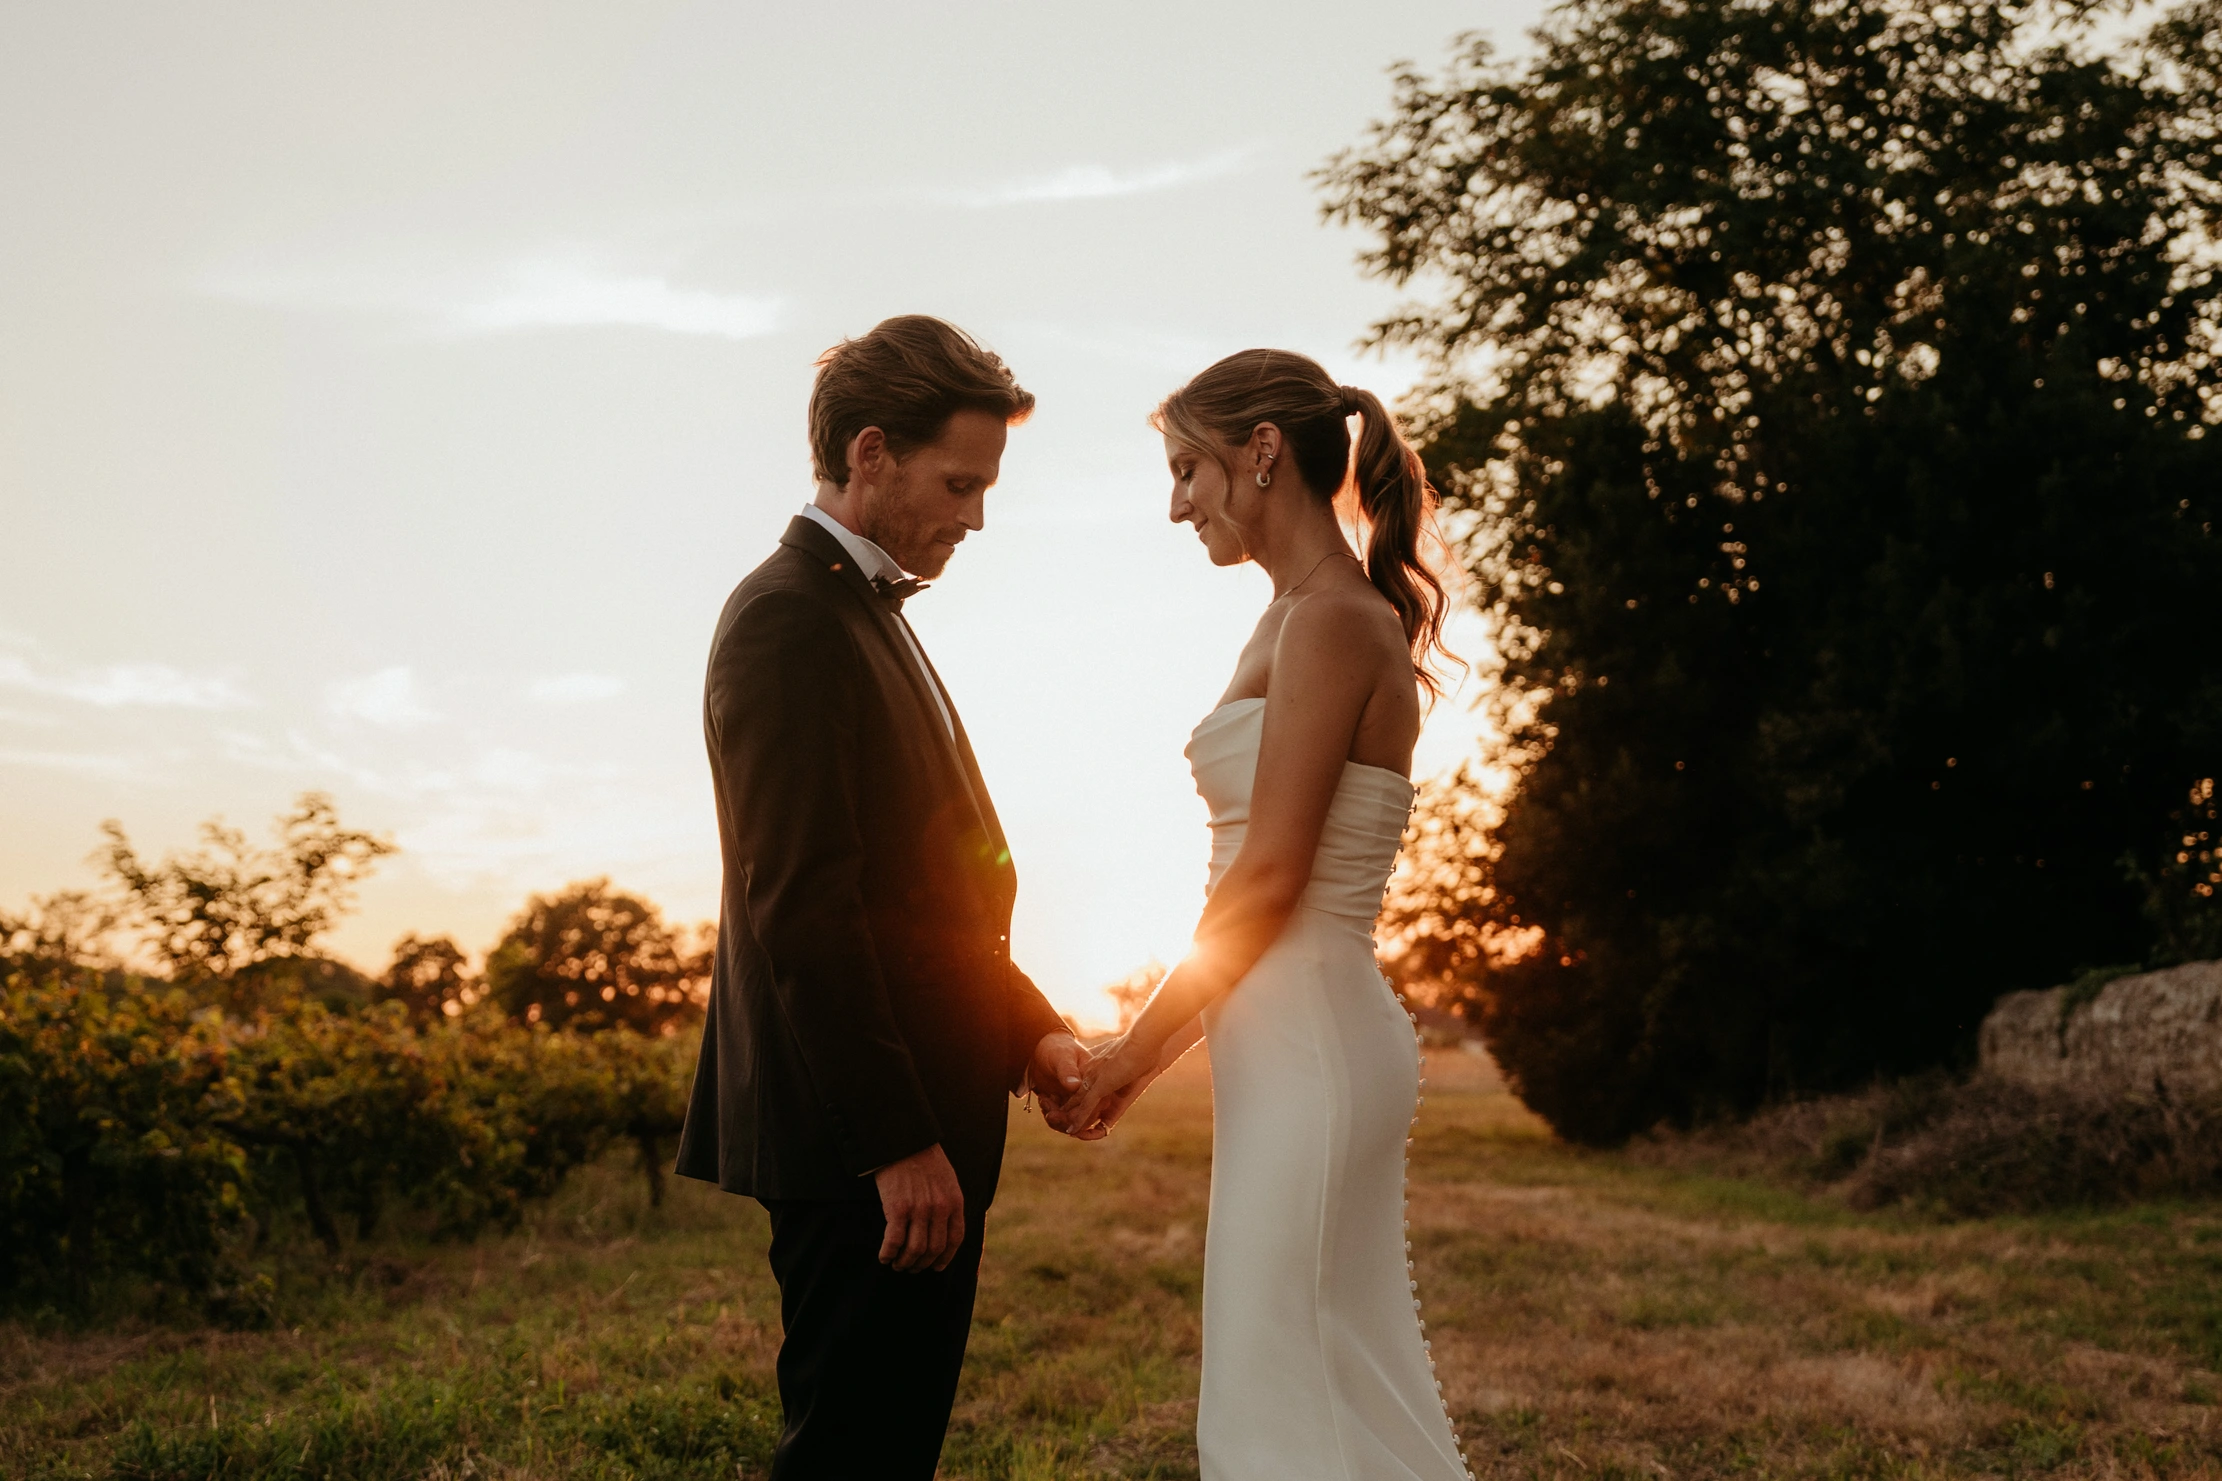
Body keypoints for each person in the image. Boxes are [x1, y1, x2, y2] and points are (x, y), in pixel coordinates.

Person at [674, 314, 1093, 1480]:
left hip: (918, 1123)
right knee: (850, 1454)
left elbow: (929, 901)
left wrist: (1032, 1029)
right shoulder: (786, 621)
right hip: (862, 1143)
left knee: (890, 1446)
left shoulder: (866, 611)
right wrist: (896, 1141)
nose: (974, 515)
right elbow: (804, 903)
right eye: (959, 482)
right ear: (870, 455)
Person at [1065, 349, 1474, 1480]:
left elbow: (1264, 878)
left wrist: (1129, 1059)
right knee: (1299, 1372)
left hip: (1313, 1038)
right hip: (1281, 1034)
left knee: (1282, 1385)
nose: (1174, 501)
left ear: (1259, 453)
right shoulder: (1290, 615)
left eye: (1187, 467)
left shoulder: (1332, 621)